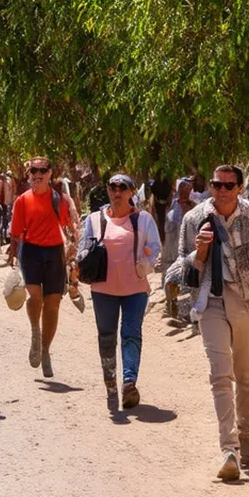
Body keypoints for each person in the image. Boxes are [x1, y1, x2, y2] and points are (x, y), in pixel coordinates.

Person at [176, 164, 249, 481]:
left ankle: (246, 436)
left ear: (240, 188)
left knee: (245, 375)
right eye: (216, 184)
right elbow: (182, 269)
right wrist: (199, 252)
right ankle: (228, 448)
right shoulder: (194, 219)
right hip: (210, 299)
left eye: (228, 186)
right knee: (220, 374)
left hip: (246, 299)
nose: (221, 190)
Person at [75, 174, 161, 408]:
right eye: (113, 187)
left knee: (131, 334)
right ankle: (110, 381)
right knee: (107, 336)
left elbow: (155, 247)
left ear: (132, 192)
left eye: (123, 187)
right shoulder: (94, 219)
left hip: (135, 289)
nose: (117, 192)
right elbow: (83, 247)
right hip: (103, 289)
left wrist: (144, 265)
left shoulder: (142, 219)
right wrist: (79, 264)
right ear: (108, 190)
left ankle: (129, 383)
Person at [9, 156, 75, 378]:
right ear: (28, 175)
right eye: (33, 171)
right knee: (35, 297)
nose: (37, 174)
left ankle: (45, 350)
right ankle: (35, 332)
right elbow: (16, 234)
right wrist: (13, 258)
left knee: (53, 304)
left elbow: (70, 226)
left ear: (50, 174)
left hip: (55, 253)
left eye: (42, 170)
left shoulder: (60, 199)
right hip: (31, 252)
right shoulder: (22, 201)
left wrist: (73, 252)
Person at [159, 178, 196, 318]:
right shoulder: (169, 204)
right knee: (168, 278)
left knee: (187, 278)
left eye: (188, 190)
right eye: (183, 189)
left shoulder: (194, 207)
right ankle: (169, 304)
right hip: (170, 249)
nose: (185, 192)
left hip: (186, 251)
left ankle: (186, 310)